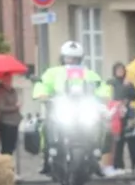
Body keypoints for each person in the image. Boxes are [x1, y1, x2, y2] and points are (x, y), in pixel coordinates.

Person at [30, 41, 113, 175]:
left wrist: (105, 94)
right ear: (62, 58)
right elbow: (43, 83)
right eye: (68, 57)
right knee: (44, 126)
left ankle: (96, 154)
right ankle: (45, 155)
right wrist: (42, 94)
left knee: (101, 125)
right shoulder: (53, 72)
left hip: (83, 110)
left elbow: (100, 85)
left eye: (75, 58)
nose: (71, 61)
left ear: (80, 59)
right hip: (61, 108)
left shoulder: (88, 73)